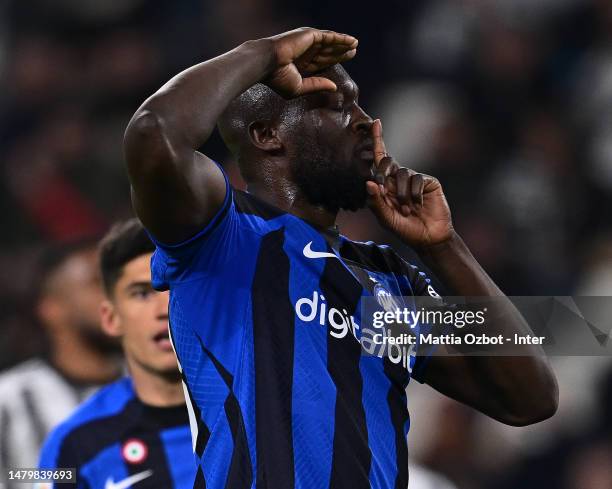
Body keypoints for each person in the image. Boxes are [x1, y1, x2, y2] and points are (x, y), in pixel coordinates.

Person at [123, 27, 559, 488]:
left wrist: (443, 246)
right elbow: (154, 134)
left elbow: (531, 397)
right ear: (268, 134)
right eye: (335, 105)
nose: (365, 122)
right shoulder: (222, 237)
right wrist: (264, 53)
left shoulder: (391, 278)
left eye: (359, 103)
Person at [39, 219, 194, 488]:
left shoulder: (262, 411)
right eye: (143, 293)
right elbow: (22, 476)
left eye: (175, 287)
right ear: (111, 318)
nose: (164, 308)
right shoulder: (75, 444)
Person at [0, 241, 121, 485]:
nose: (116, 294)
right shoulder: (11, 399)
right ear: (51, 309)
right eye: (97, 282)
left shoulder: (158, 383)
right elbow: (12, 476)